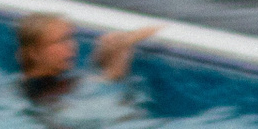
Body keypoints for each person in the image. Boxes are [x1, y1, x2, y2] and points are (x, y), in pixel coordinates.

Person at [16, 13, 161, 104]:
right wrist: (128, 41)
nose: (72, 46)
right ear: (34, 53)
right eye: (61, 41)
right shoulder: (53, 92)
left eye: (71, 38)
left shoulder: (26, 85)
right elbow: (112, 76)